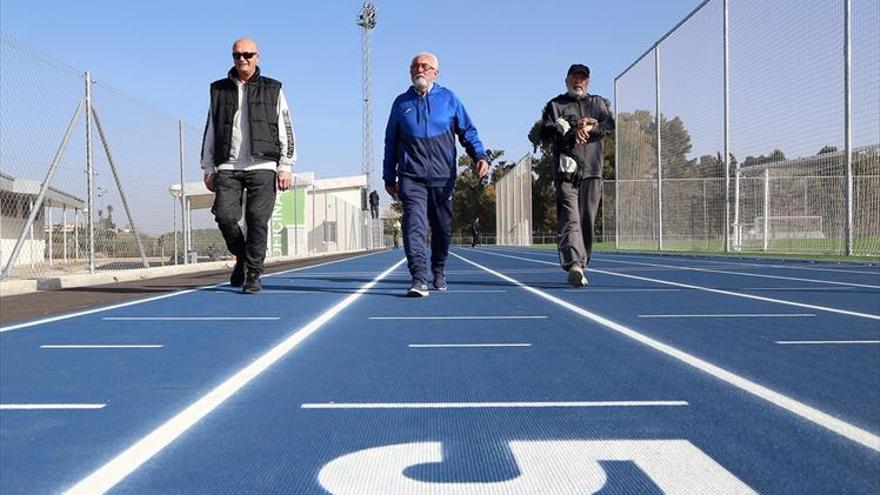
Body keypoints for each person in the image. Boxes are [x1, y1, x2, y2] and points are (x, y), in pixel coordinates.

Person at [383, 52, 489, 297]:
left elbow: (468, 131)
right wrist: (389, 176)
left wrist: (480, 156)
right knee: (414, 226)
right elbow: (390, 141)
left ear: (435, 73)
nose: (419, 70)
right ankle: (419, 277)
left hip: (443, 178)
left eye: (425, 66)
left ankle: (438, 269)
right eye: (415, 66)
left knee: (442, 228)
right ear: (410, 72)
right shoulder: (401, 103)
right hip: (412, 177)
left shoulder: (450, 99)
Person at [201, 38, 295, 294]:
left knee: (257, 220)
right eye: (237, 55)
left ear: (257, 57)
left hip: (263, 164)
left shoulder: (273, 88)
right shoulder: (218, 90)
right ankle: (242, 257)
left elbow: (286, 126)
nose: (242, 59)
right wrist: (208, 166)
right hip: (227, 166)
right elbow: (211, 127)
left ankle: (254, 273)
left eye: (247, 54)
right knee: (224, 216)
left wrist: (285, 165)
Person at [539, 64, 614, 287]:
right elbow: (543, 133)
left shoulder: (598, 103)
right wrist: (564, 127)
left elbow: (609, 124)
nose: (578, 81)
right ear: (567, 80)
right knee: (570, 218)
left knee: (586, 220)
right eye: (575, 77)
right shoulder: (555, 105)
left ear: (588, 82)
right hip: (566, 172)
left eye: (582, 78)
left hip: (592, 171)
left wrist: (590, 128)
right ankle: (574, 264)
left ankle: (583, 262)